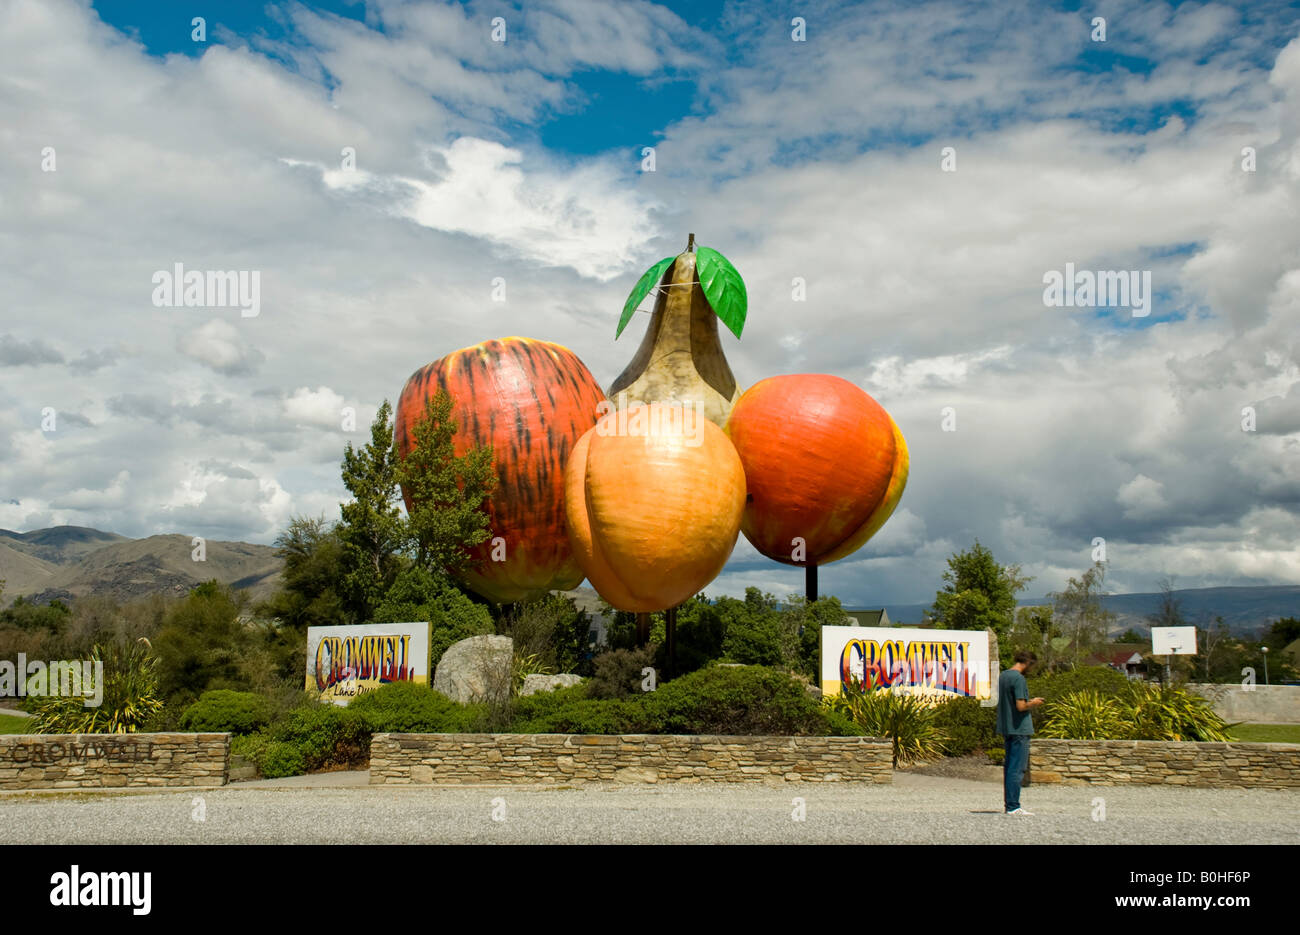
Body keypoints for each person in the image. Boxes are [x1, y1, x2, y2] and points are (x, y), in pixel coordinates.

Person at [997, 651, 1045, 815]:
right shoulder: (1018, 679)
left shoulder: (1003, 676)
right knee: (1017, 768)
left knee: (1010, 766)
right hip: (1019, 729)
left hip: (1006, 727)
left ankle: (1009, 804)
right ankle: (1013, 806)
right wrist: (1034, 703)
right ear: (1028, 662)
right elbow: (1021, 706)